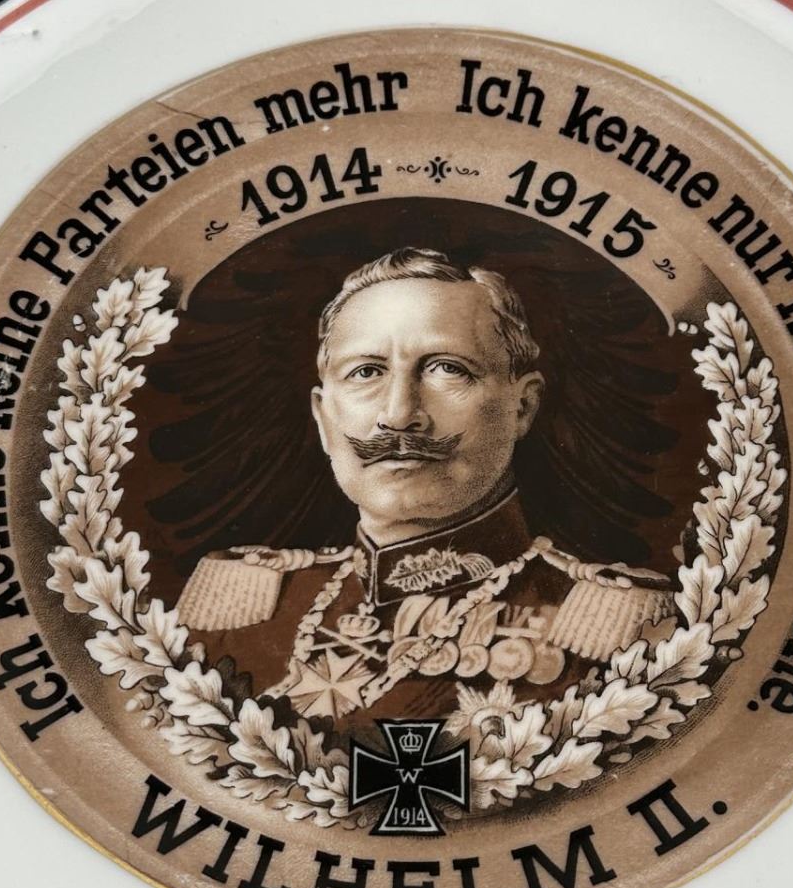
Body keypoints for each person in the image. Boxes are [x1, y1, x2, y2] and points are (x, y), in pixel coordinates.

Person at [175, 247, 676, 722]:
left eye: (447, 369)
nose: (399, 416)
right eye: (365, 372)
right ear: (324, 418)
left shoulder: (615, 629)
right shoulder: (239, 616)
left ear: (522, 407)